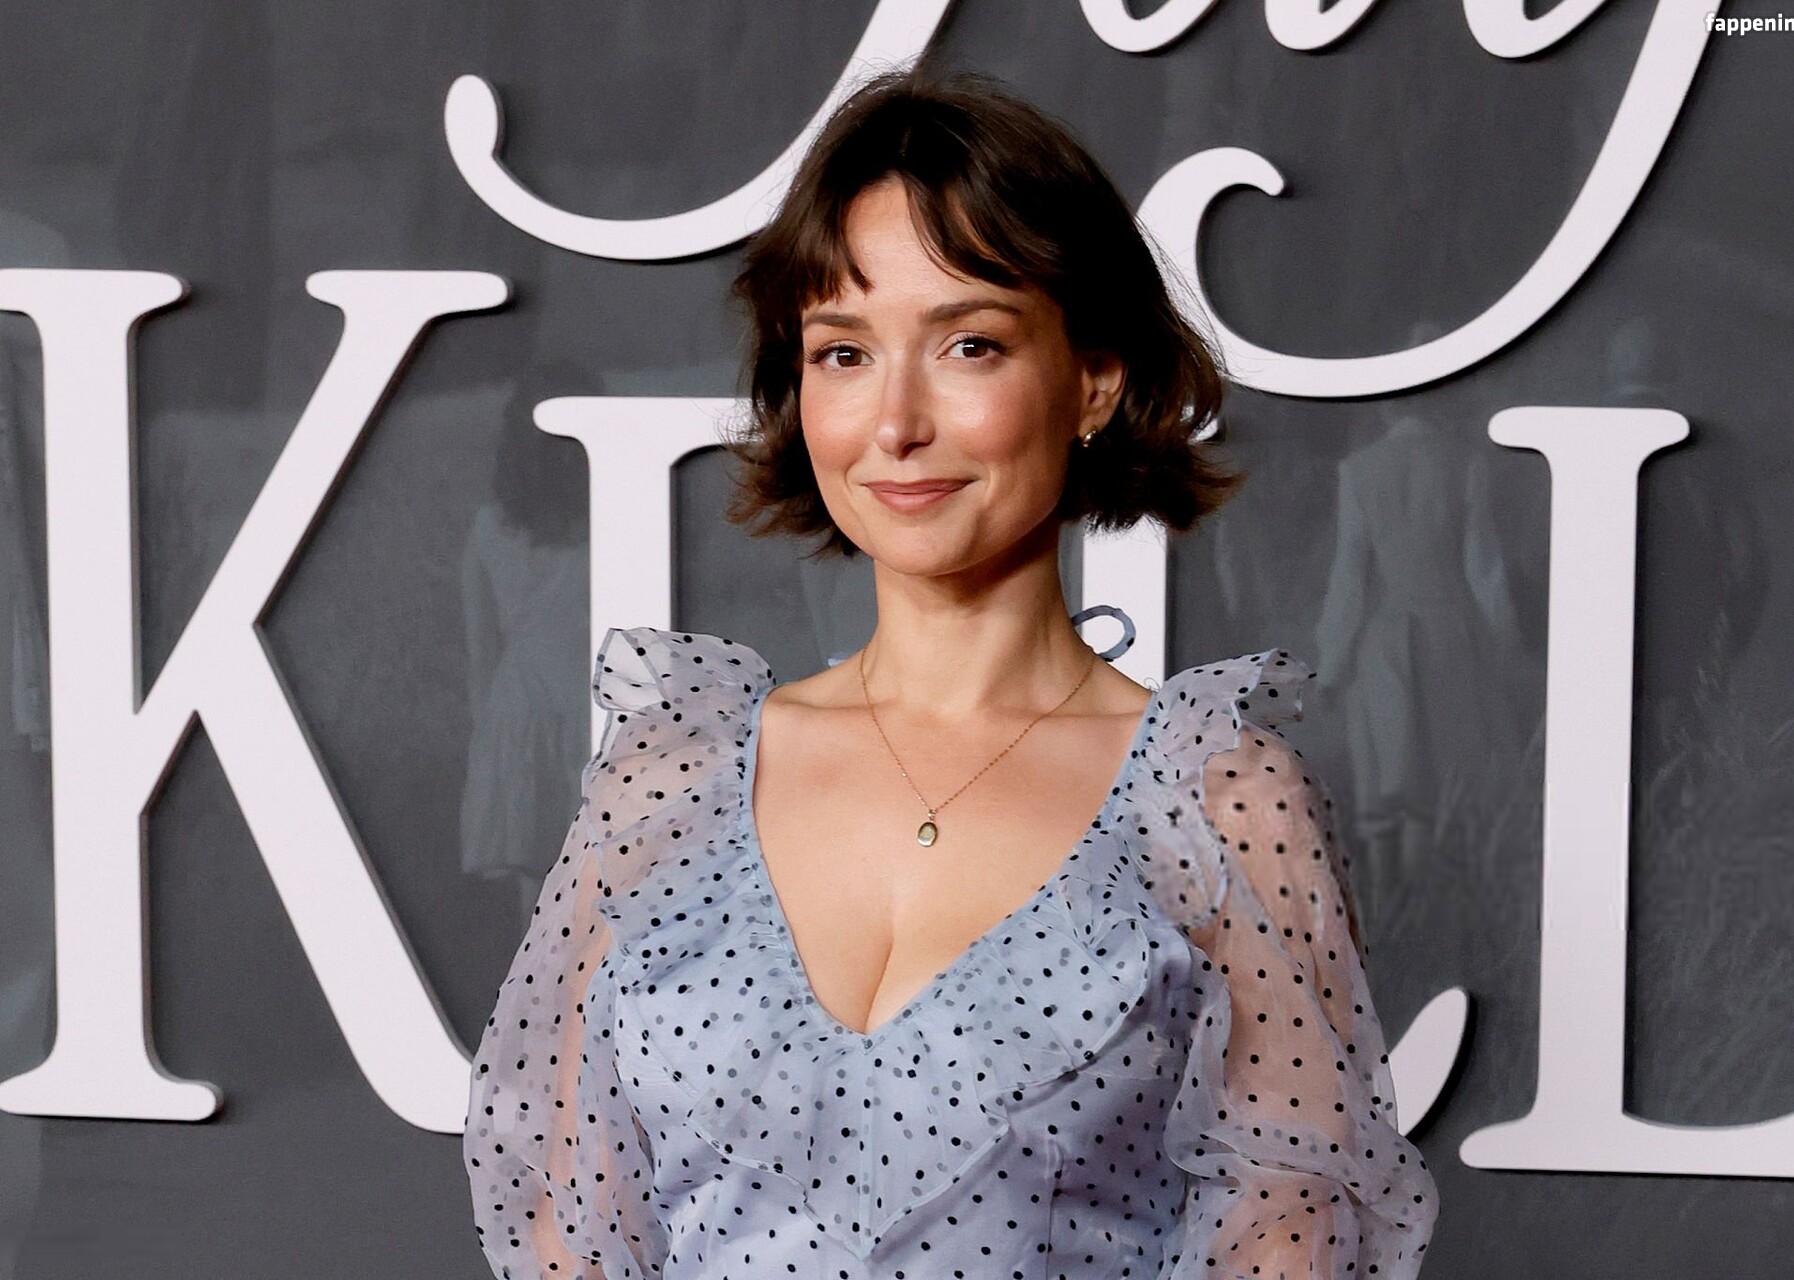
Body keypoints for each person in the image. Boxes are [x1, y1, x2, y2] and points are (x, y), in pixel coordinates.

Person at [463, 62, 1438, 1279]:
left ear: (1094, 378)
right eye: (843, 353)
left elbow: (1286, 1239)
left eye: (969, 344)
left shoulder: (1218, 804)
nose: (895, 423)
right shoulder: (669, 782)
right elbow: (570, 1230)